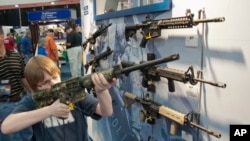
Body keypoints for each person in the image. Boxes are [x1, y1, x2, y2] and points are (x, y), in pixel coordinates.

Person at [1, 55, 117, 141]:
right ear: (35, 87)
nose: (53, 83)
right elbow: (6, 127)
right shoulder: (32, 101)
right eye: (46, 82)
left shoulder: (72, 91)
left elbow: (106, 111)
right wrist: (50, 110)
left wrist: (102, 91)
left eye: (55, 77)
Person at [0, 27, 33, 141]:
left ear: (2, 37)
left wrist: (33, 94)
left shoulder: (16, 56)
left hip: (22, 100)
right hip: (4, 104)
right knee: (8, 136)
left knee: (28, 133)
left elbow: (23, 77)